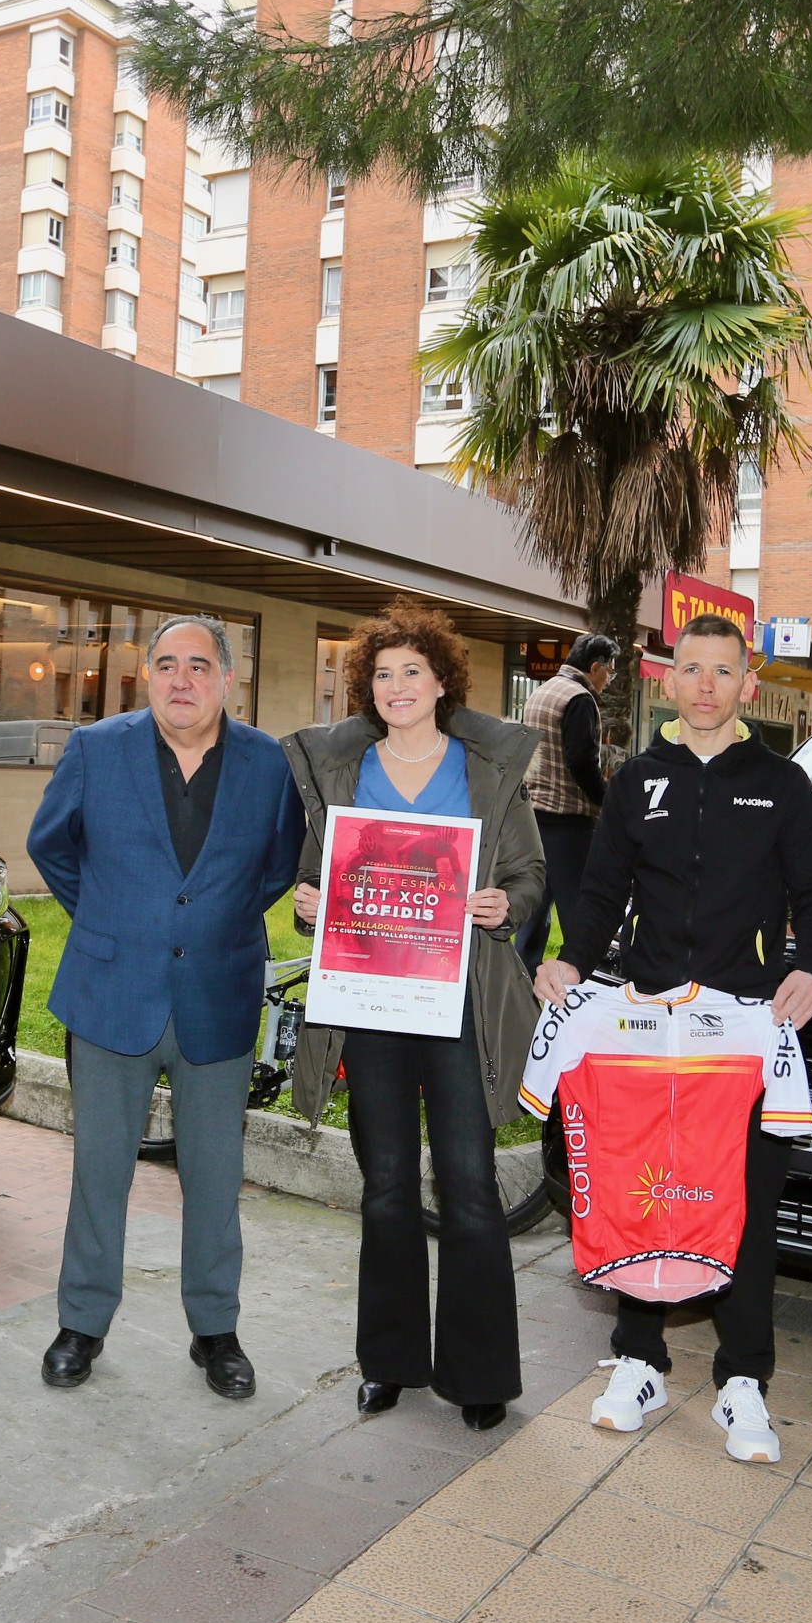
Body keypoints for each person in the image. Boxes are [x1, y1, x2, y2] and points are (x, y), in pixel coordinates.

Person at [533, 612, 812, 1460]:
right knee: (648, 1191)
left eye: (723, 671)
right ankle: (639, 1359)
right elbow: (599, 893)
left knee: (746, 1204)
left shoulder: (781, 784)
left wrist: (811, 967)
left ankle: (744, 1380)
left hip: (746, 1031)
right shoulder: (637, 779)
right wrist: (569, 961)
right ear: (671, 681)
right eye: (692, 668)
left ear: (747, 683)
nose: (707, 685)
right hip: (649, 1026)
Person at [26, 615, 305, 1399]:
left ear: (228, 680)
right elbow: (51, 846)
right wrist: (114, 919)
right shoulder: (96, 749)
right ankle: (81, 1323)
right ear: (146, 675)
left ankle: (215, 1332)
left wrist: (207, 924)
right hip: (111, 990)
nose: (182, 680)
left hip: (218, 995)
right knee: (99, 1171)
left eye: (200, 666)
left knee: (215, 1177)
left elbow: (278, 866)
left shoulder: (266, 764)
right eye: (167, 665)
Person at [284, 600, 546, 1431]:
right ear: (368, 688)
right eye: (383, 674)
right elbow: (311, 880)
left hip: (458, 1003)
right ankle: (389, 1361)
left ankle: (478, 1377)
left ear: (442, 682)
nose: (398, 686)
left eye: (412, 672)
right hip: (372, 1001)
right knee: (387, 1186)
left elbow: (531, 872)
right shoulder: (339, 771)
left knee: (469, 1186)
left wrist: (508, 903)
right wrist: (307, 901)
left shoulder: (486, 770)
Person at [515, 635, 624, 970]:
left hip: (534, 816)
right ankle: (581, 979)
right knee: (579, 909)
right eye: (610, 672)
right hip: (568, 821)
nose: (609, 680)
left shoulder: (543, 690)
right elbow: (581, 761)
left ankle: (523, 978)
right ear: (595, 668)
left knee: (534, 907)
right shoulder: (579, 698)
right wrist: (608, 800)